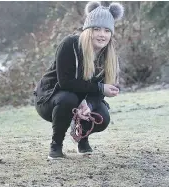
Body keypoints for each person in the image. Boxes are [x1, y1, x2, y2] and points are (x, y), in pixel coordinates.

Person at [33, 1, 124, 160]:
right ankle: (56, 145)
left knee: (103, 117)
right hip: (50, 100)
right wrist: (101, 88)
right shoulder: (70, 44)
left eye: (107, 30)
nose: (102, 34)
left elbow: (96, 94)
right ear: (88, 30)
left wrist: (88, 105)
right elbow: (65, 83)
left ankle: (82, 137)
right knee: (68, 98)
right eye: (96, 29)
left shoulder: (108, 56)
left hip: (78, 101)